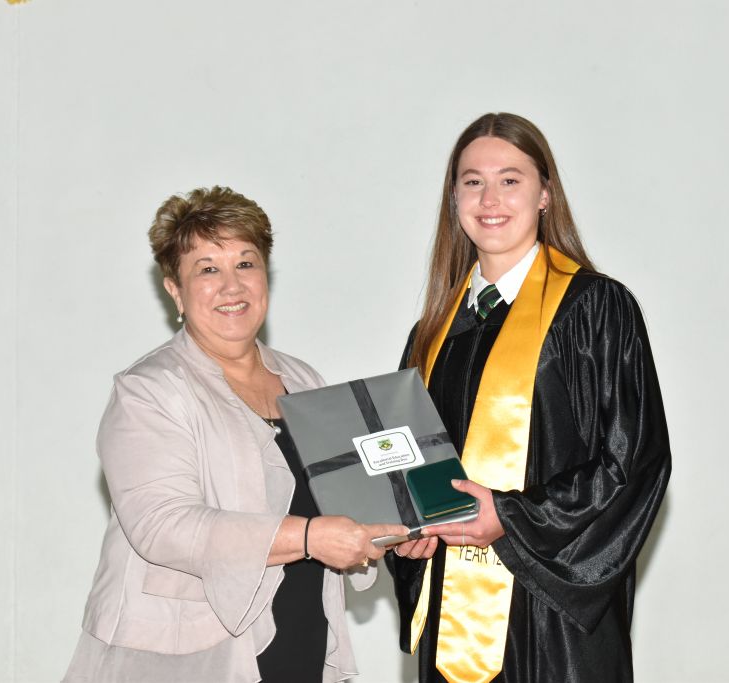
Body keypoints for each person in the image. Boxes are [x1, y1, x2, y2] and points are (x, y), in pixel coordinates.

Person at [63, 186, 407, 683]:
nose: (232, 286)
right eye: (208, 269)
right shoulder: (148, 390)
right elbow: (164, 525)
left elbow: (344, 499)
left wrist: (398, 529)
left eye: (246, 263)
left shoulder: (304, 380)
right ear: (175, 290)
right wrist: (310, 538)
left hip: (301, 641)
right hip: (189, 657)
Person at [387, 113, 672, 683]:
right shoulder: (432, 334)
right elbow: (412, 467)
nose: (489, 199)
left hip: (553, 622)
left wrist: (513, 517)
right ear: (454, 199)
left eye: (510, 180)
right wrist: (407, 535)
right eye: (472, 181)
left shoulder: (594, 309)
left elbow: (633, 462)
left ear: (545, 194)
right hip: (452, 614)